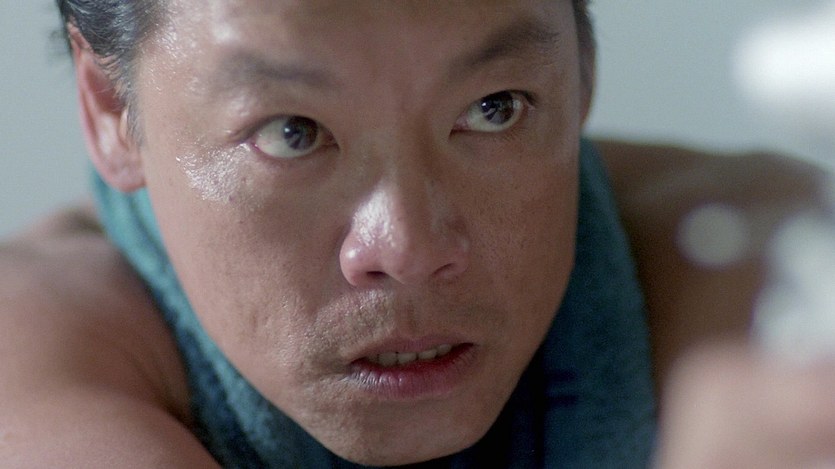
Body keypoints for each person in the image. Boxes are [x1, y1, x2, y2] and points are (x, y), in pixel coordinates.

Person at [0, 0, 830, 467]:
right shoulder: (35, 362)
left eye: (493, 109)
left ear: (581, 71)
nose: (408, 248)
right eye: (292, 132)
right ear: (110, 111)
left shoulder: (767, 266)